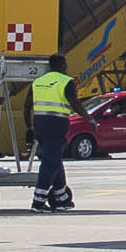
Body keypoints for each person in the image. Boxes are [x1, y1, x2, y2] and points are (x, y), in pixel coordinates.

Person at [29, 60, 75, 211]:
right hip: (56, 126)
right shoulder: (66, 81)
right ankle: (38, 201)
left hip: (39, 126)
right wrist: (89, 119)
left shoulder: (37, 82)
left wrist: (29, 126)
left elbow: (27, 105)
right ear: (63, 67)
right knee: (49, 164)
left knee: (54, 161)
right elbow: (75, 103)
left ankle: (61, 199)